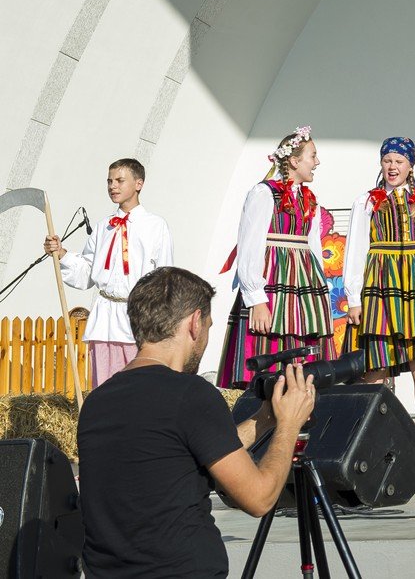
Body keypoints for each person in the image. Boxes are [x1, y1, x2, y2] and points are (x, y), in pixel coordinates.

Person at [77, 266, 317, 578]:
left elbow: (185, 452)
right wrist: (289, 424)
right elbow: (259, 499)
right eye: (208, 326)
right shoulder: (191, 394)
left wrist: (265, 420)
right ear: (194, 322)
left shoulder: (97, 402)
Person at [345, 136, 415, 459]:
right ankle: (368, 445)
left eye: (399, 161)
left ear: (410, 165)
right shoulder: (367, 201)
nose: (392, 167)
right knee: (377, 367)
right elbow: (355, 250)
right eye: (387, 160)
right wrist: (354, 298)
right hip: (381, 283)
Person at [219, 126, 335, 388]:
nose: (317, 162)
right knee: (268, 351)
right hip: (273, 284)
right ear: (294, 161)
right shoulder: (264, 193)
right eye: (312, 156)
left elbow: (314, 249)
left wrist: (319, 297)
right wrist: (256, 299)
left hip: (304, 289)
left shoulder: (309, 200)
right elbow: (249, 245)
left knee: (305, 361)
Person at [44, 157, 172, 387]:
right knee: (104, 386)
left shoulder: (155, 226)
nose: (113, 186)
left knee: (137, 386)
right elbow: (87, 272)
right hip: (104, 320)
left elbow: (164, 276)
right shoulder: (104, 226)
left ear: (139, 183)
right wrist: (61, 253)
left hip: (137, 318)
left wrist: (158, 319)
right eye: (109, 181)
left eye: (120, 180)